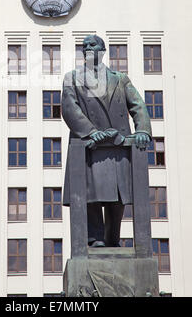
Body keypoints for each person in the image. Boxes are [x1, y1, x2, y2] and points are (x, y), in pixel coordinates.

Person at [62, 34, 152, 247]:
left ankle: (113, 238)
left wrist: (143, 131)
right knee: (91, 195)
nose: (87, 48)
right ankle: (95, 239)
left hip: (118, 145)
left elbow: (138, 106)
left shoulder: (120, 78)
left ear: (102, 51)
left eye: (92, 44)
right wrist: (91, 131)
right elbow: (70, 108)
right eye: (84, 46)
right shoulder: (72, 78)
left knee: (118, 197)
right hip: (91, 146)